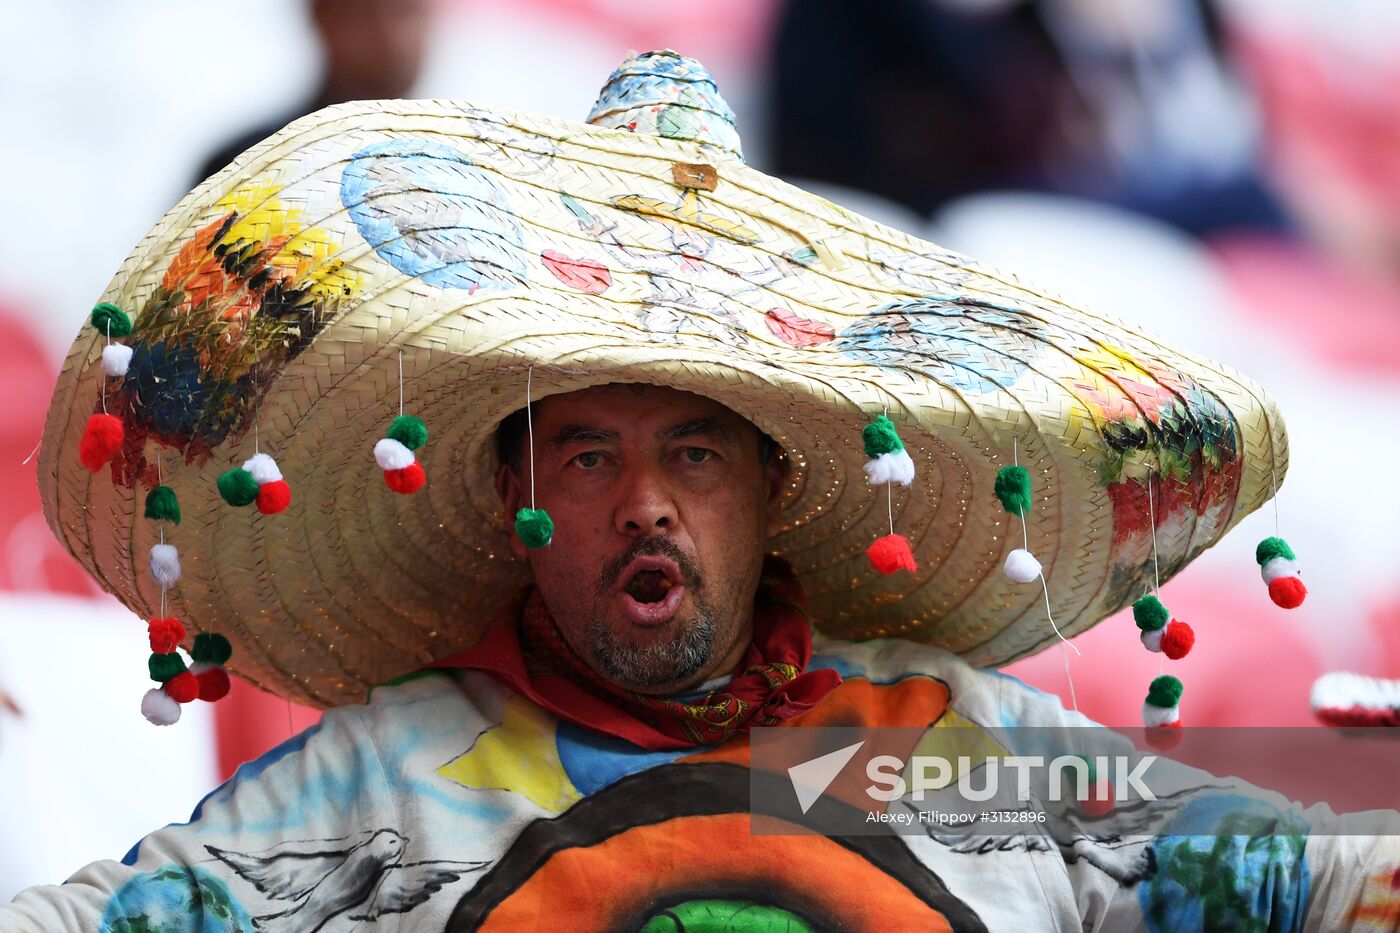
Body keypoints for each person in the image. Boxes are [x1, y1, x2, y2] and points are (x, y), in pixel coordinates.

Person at [6, 50, 1398, 931]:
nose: (647, 503)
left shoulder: (934, 737)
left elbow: (1288, 873)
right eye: (590, 455)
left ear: (773, 488)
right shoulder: (387, 780)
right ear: (513, 503)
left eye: (693, 452)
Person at [196, 0, 432, 182]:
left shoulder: (451, 161)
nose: (391, 36)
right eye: (363, 16)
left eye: (406, 11)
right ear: (322, 18)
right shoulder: (246, 165)